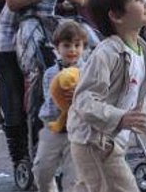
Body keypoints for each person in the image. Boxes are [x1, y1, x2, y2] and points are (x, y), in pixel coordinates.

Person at [67, 0, 146, 192]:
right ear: (116, 15)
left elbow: (139, 102)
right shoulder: (106, 53)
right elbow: (84, 100)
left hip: (111, 141)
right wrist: (119, 117)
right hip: (94, 142)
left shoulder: (142, 52)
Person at [0, 0, 86, 174]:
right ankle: (20, 161)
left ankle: (42, 159)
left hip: (44, 36)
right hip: (9, 37)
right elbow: (13, 2)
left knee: (42, 95)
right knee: (13, 101)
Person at [33, 20, 86, 192]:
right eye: (67, 45)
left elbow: (94, 98)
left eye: (77, 45)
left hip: (77, 131)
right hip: (53, 128)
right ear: (57, 48)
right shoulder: (50, 73)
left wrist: (78, 96)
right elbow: (50, 100)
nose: (72, 50)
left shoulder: (88, 71)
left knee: (74, 179)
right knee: (41, 172)